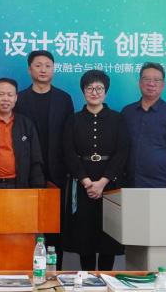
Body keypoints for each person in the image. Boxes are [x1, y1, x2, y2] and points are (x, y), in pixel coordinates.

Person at [62, 70, 128, 271]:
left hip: (110, 183)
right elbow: (68, 152)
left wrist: (103, 181)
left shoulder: (118, 119)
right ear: (83, 91)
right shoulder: (73, 120)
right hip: (83, 183)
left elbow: (122, 152)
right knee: (85, 235)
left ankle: (106, 278)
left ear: (106, 92)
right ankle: (88, 278)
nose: (94, 92)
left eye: (99, 88)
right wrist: (86, 181)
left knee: (108, 235)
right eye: (89, 88)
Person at [14, 50, 74, 262]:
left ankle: (54, 271)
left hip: (57, 172)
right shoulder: (20, 99)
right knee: (25, 223)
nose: (43, 70)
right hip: (26, 171)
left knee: (55, 225)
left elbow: (69, 137)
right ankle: (25, 269)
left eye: (48, 66)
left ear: (53, 69)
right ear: (29, 69)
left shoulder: (64, 99)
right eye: (38, 65)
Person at [121, 63, 166, 188]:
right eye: (146, 79)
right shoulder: (127, 112)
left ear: (163, 85)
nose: (151, 84)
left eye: (156, 80)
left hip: (162, 184)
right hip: (129, 184)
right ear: (139, 82)